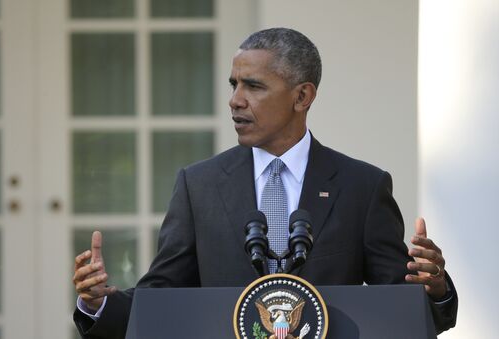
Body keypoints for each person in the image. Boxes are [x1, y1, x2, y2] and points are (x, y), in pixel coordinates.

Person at [72, 28, 458, 338]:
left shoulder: (363, 185)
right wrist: (99, 302)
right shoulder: (199, 185)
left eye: (253, 86)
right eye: (233, 85)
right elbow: (161, 298)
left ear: (302, 96)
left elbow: (405, 310)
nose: (235, 101)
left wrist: (435, 287)